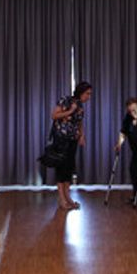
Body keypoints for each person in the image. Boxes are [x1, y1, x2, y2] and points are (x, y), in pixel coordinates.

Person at [46, 81, 92, 211]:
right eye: (87, 93)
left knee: (69, 168)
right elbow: (54, 115)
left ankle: (68, 197)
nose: (89, 96)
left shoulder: (80, 105)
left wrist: (82, 135)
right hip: (61, 139)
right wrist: (70, 111)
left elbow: (79, 122)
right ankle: (61, 199)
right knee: (61, 168)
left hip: (73, 140)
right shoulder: (66, 100)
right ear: (81, 92)